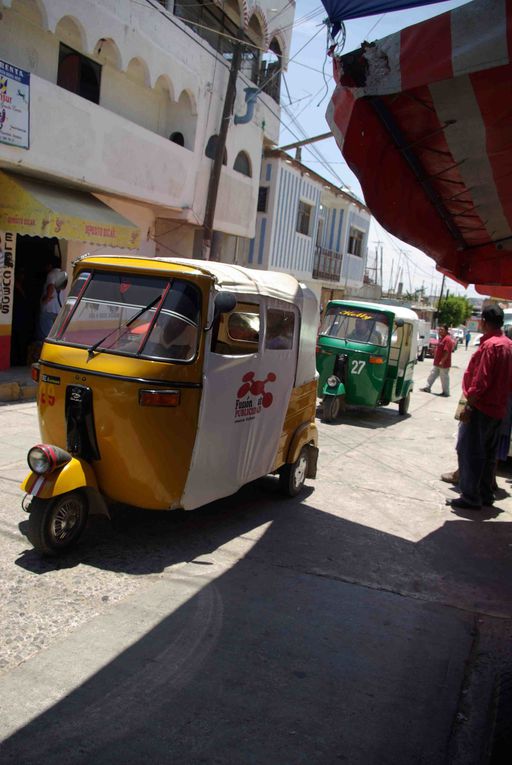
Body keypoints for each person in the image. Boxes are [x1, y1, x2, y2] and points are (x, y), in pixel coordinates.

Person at [448, 304, 512, 510]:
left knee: (471, 452)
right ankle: (485, 494)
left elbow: (481, 381)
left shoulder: (490, 346)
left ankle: (470, 496)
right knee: (489, 455)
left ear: (483, 322)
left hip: (482, 408)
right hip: (499, 409)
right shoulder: (508, 345)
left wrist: (469, 406)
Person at [36, 256, 66, 340]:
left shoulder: (51, 274)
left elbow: (50, 286)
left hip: (48, 309)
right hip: (58, 309)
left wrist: (46, 299)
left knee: (45, 334)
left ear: (50, 265)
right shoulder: (63, 274)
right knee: (55, 334)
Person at [420, 325, 453, 396]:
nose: (440, 331)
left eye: (442, 330)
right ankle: (427, 388)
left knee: (444, 378)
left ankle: (446, 393)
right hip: (437, 363)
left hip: (443, 364)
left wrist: (442, 361)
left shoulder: (447, 339)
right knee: (432, 375)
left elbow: (447, 352)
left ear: (446, 331)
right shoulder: (442, 338)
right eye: (439, 329)